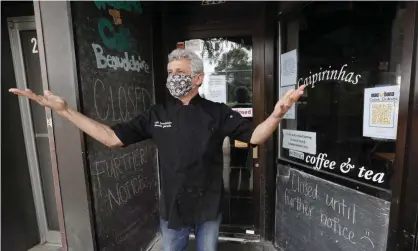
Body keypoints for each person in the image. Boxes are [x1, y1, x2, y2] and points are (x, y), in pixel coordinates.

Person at [9, 48, 305, 251]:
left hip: (208, 206)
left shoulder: (217, 112)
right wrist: (65, 111)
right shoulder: (157, 114)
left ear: (198, 78)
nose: (172, 76)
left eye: (179, 71)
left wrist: (277, 115)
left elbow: (256, 135)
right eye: (169, 71)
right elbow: (111, 137)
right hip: (172, 207)